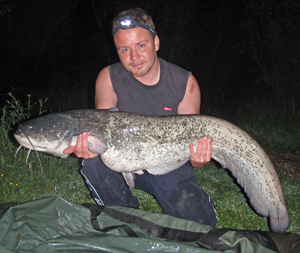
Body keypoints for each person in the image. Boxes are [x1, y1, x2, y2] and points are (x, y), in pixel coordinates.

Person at [64, 8, 217, 227]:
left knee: (199, 225)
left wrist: (197, 160)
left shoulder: (185, 82)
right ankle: (125, 217)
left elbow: (191, 150)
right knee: (93, 163)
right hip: (121, 163)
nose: (133, 57)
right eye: (124, 49)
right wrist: (88, 148)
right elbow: (101, 131)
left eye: (141, 46)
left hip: (167, 165)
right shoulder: (108, 77)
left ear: (156, 43)